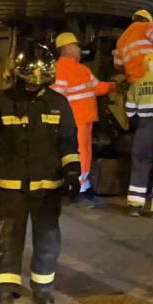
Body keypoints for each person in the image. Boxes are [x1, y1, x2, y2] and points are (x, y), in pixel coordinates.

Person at [0, 43, 79, 304]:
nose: (32, 86)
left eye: (37, 82)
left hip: (48, 188)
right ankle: (4, 294)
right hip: (13, 186)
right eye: (28, 80)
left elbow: (68, 143)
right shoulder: (1, 103)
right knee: (9, 237)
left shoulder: (58, 104)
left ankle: (43, 288)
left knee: (48, 237)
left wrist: (73, 173)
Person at [51, 32, 114, 198]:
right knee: (78, 153)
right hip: (73, 120)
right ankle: (76, 186)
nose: (79, 49)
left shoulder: (82, 69)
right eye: (76, 46)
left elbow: (98, 87)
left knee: (82, 153)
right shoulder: (61, 69)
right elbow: (56, 97)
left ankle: (81, 184)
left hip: (83, 120)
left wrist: (114, 85)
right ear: (67, 48)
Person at [124, 52, 153, 217]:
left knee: (139, 166)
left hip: (144, 130)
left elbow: (129, 112)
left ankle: (135, 206)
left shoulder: (137, 85)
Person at [114, 9, 153, 83]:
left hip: (134, 81)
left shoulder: (120, 39)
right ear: (146, 19)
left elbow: (118, 65)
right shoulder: (146, 26)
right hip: (149, 75)